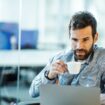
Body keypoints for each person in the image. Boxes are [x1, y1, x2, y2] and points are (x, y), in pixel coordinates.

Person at [29, 11, 105, 98]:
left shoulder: (102, 59)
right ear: (69, 37)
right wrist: (49, 76)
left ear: (95, 37)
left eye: (85, 40)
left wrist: (87, 99)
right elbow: (32, 92)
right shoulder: (60, 58)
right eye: (75, 40)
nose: (79, 46)